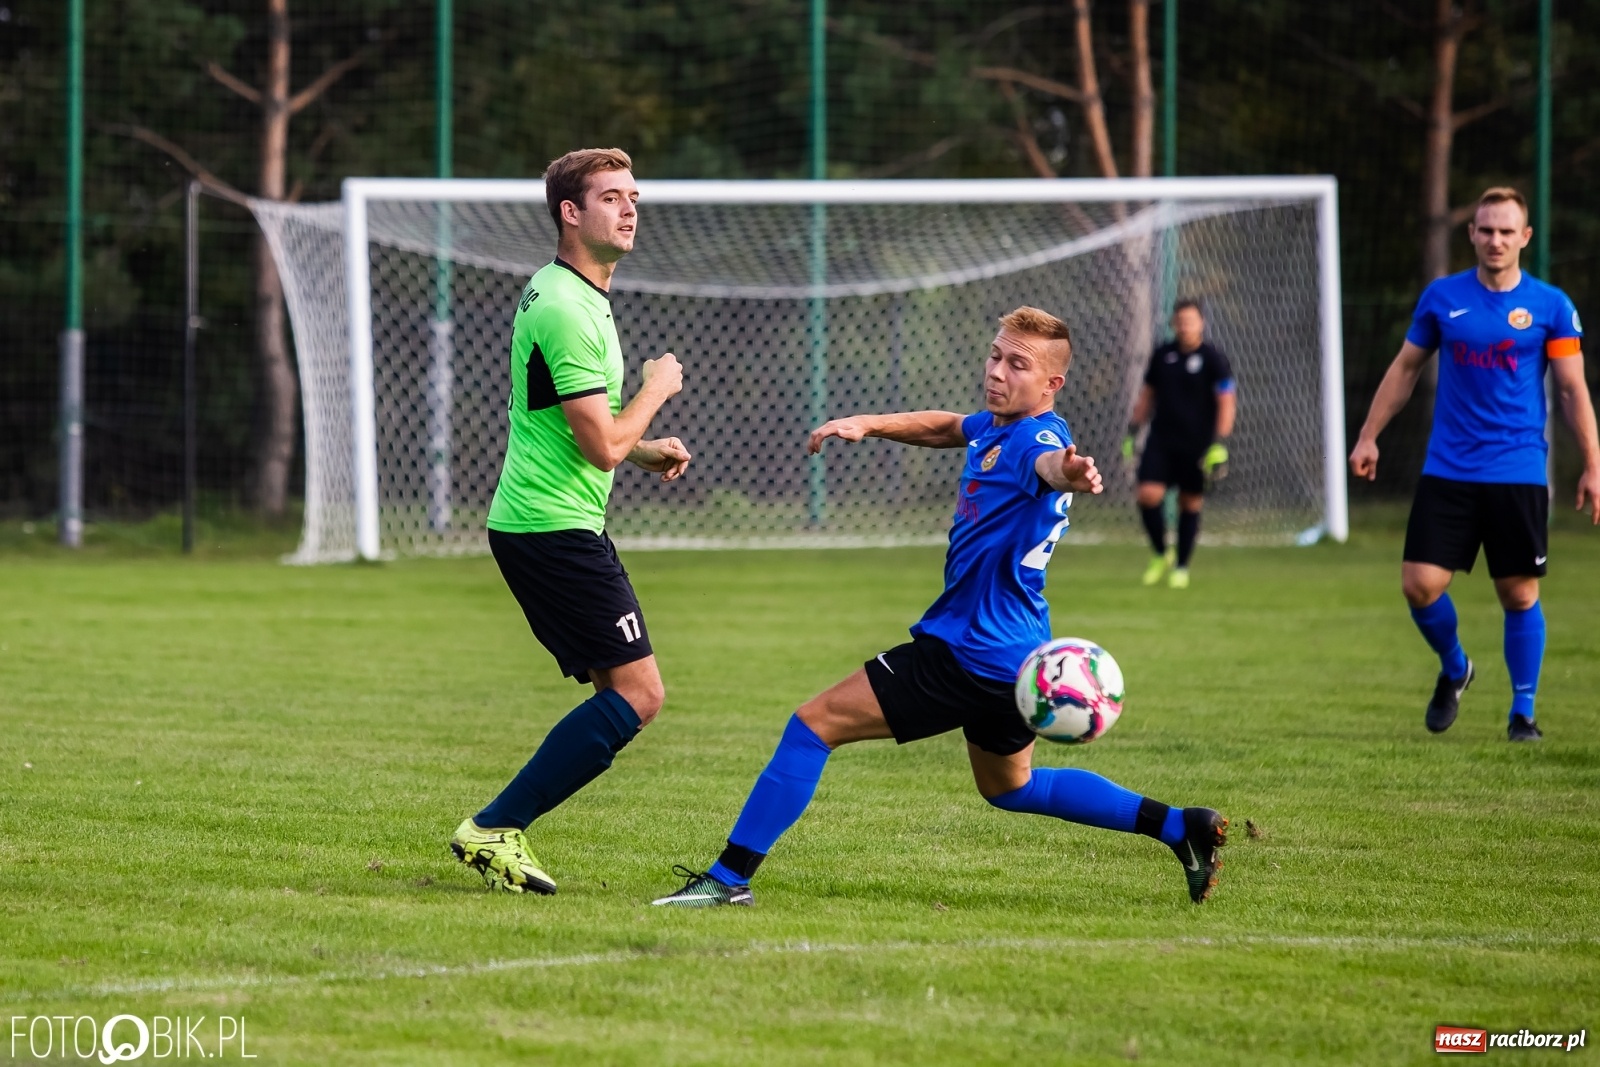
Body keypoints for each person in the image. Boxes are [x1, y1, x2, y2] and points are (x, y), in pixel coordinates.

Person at [651, 307, 1228, 909]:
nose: (998, 371)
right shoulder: (996, 428)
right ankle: (1177, 826)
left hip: (966, 651)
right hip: (1021, 656)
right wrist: (867, 424)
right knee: (1010, 787)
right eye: (996, 356)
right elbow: (947, 426)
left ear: (1051, 385)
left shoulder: (1037, 439)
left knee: (812, 726)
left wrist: (1071, 472)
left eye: (1018, 364)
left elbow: (1049, 465)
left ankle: (728, 878)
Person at [449, 148, 693, 892]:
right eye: (611, 196)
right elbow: (600, 441)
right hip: (549, 529)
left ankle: (498, 828)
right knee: (638, 694)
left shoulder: (572, 295)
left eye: (633, 196)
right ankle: (492, 828)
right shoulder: (563, 305)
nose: (629, 209)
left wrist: (643, 451)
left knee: (623, 694)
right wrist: (656, 389)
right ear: (570, 212)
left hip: (550, 522)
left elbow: (584, 430)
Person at [1349, 185, 1598, 743]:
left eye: (1507, 231)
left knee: (1519, 594)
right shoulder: (1443, 298)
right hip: (1449, 470)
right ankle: (1456, 667)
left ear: (1525, 238)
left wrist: (1592, 464)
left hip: (1518, 470)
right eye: (1486, 229)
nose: (1495, 240)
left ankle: (1523, 715)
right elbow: (1406, 368)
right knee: (1419, 585)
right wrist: (1368, 436)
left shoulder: (1550, 306)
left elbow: (1571, 391)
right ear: (1472, 234)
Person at [1122, 299, 1236, 588]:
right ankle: (1161, 553)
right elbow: (1147, 394)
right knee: (1148, 495)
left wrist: (1219, 442)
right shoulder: (1163, 354)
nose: (1185, 326)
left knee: (1190, 502)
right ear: (1174, 324)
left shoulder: (1213, 358)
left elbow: (1226, 401)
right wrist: (1133, 430)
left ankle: (1182, 566)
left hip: (1198, 444)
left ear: (1201, 323)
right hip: (1161, 440)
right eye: (1180, 321)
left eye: (1190, 320)